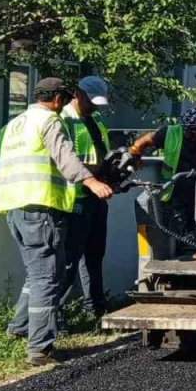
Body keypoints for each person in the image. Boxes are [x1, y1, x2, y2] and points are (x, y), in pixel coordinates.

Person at [0, 77, 113, 366]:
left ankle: (18, 327)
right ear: (59, 98)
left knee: (35, 274)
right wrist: (91, 181)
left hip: (14, 206)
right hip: (41, 207)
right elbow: (66, 157)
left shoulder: (16, 123)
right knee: (49, 277)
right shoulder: (50, 121)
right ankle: (39, 348)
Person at [60, 76, 113, 317]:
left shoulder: (95, 120)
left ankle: (95, 309)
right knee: (69, 260)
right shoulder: (63, 120)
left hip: (97, 196)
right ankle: (55, 314)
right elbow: (66, 161)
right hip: (75, 198)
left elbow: (101, 154)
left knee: (95, 254)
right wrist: (92, 178)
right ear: (78, 94)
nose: (94, 107)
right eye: (91, 102)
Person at [130, 106, 196, 241]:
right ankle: (177, 243)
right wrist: (135, 155)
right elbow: (142, 142)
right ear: (183, 127)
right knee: (175, 218)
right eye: (190, 132)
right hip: (174, 185)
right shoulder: (169, 133)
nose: (194, 136)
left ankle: (192, 239)